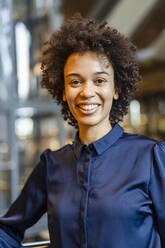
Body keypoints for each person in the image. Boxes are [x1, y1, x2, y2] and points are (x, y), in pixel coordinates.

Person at [0, 13, 165, 248]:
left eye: (99, 81)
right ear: (64, 92)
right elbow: (6, 230)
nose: (87, 92)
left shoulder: (151, 157)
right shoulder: (51, 166)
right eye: (75, 82)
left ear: (116, 89)